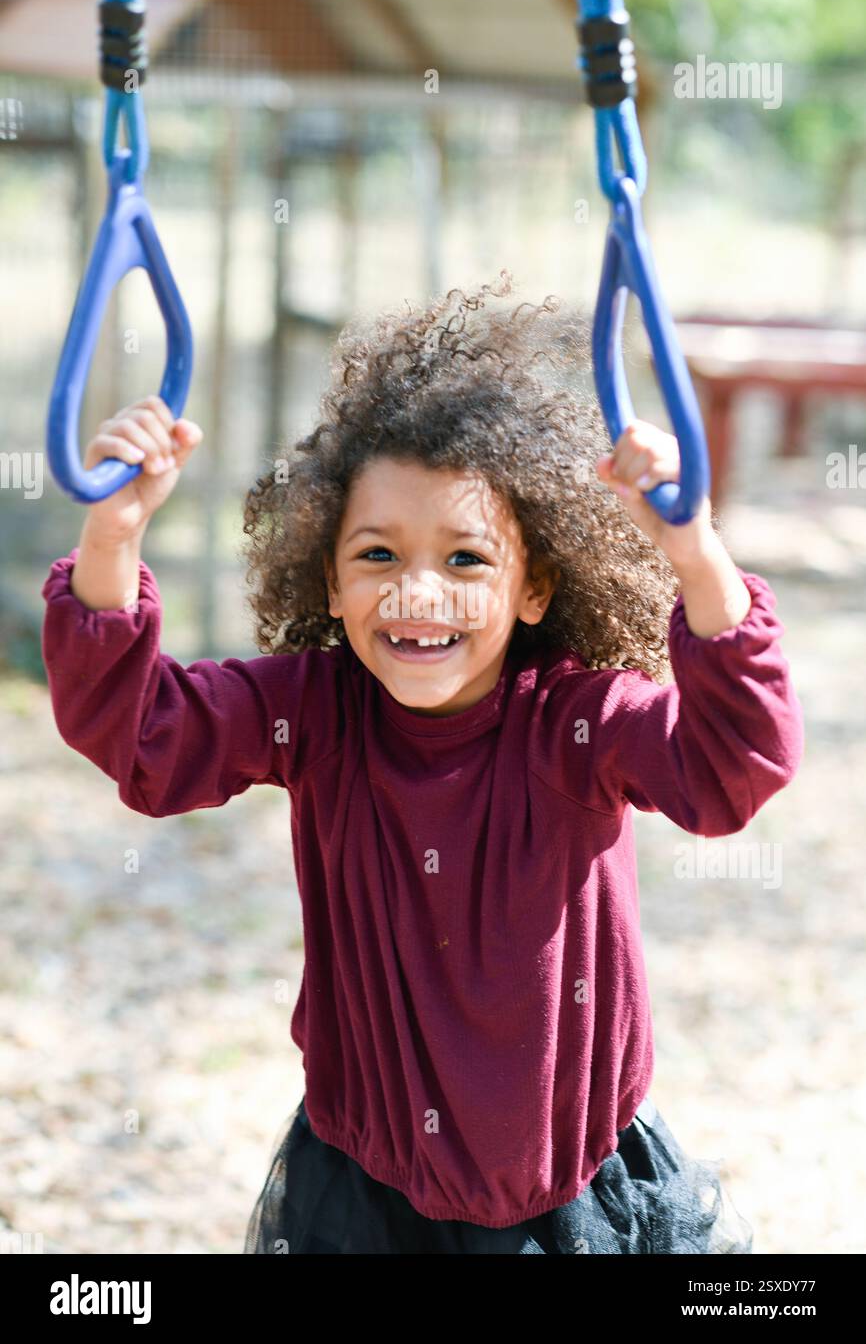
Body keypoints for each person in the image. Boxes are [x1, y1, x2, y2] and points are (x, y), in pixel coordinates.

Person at [41, 272, 803, 1254]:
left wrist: (694, 555)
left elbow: (732, 766)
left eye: (465, 561)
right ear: (327, 573)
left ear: (535, 588)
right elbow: (142, 735)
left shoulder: (572, 722)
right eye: (375, 555)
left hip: (568, 1195)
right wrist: (114, 530)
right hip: (367, 1189)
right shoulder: (310, 710)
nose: (416, 594)